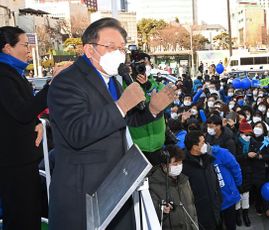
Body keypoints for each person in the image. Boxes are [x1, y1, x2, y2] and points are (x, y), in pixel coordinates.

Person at [47, 18, 175, 229]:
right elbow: (77, 132)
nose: (119, 53)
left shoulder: (113, 80)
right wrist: (121, 105)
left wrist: (153, 109)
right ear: (89, 50)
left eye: (122, 48)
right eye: (111, 47)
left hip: (117, 186)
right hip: (84, 192)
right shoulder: (67, 82)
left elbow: (125, 120)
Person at [0, 26, 68, 230]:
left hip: (21, 158)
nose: (29, 50)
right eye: (25, 45)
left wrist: (37, 123)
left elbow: (14, 113)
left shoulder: (13, 73)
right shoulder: (4, 76)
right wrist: (52, 84)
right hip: (14, 161)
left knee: (28, 213)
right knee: (22, 216)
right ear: (7, 48)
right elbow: (22, 111)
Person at [127, 53, 167, 166]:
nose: (142, 67)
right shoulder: (125, 84)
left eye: (145, 64)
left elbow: (163, 101)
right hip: (137, 147)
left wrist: (147, 85)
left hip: (158, 145)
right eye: (138, 65)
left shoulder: (157, 84)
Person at [148, 145, 198, 230]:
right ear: (164, 165)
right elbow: (151, 214)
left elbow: (192, 206)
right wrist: (161, 209)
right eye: (175, 164)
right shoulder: (153, 185)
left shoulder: (184, 181)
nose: (178, 166)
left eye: (180, 163)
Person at [183, 131, 222, 230]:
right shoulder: (185, 167)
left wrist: (218, 199)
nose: (206, 145)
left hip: (215, 210)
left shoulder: (207, 159)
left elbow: (215, 181)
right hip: (200, 214)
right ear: (195, 147)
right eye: (203, 142)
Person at [211, 145, 242, 230]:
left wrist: (237, 184)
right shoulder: (201, 158)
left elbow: (235, 168)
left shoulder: (221, 153)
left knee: (230, 223)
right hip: (214, 200)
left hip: (228, 196)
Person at [235, 119, 258, 227]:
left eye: (250, 133)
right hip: (237, 170)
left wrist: (255, 155)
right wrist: (246, 155)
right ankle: (237, 214)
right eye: (246, 133)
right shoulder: (235, 142)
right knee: (238, 192)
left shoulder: (253, 142)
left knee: (246, 193)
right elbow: (233, 157)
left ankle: (245, 214)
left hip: (249, 171)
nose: (248, 135)